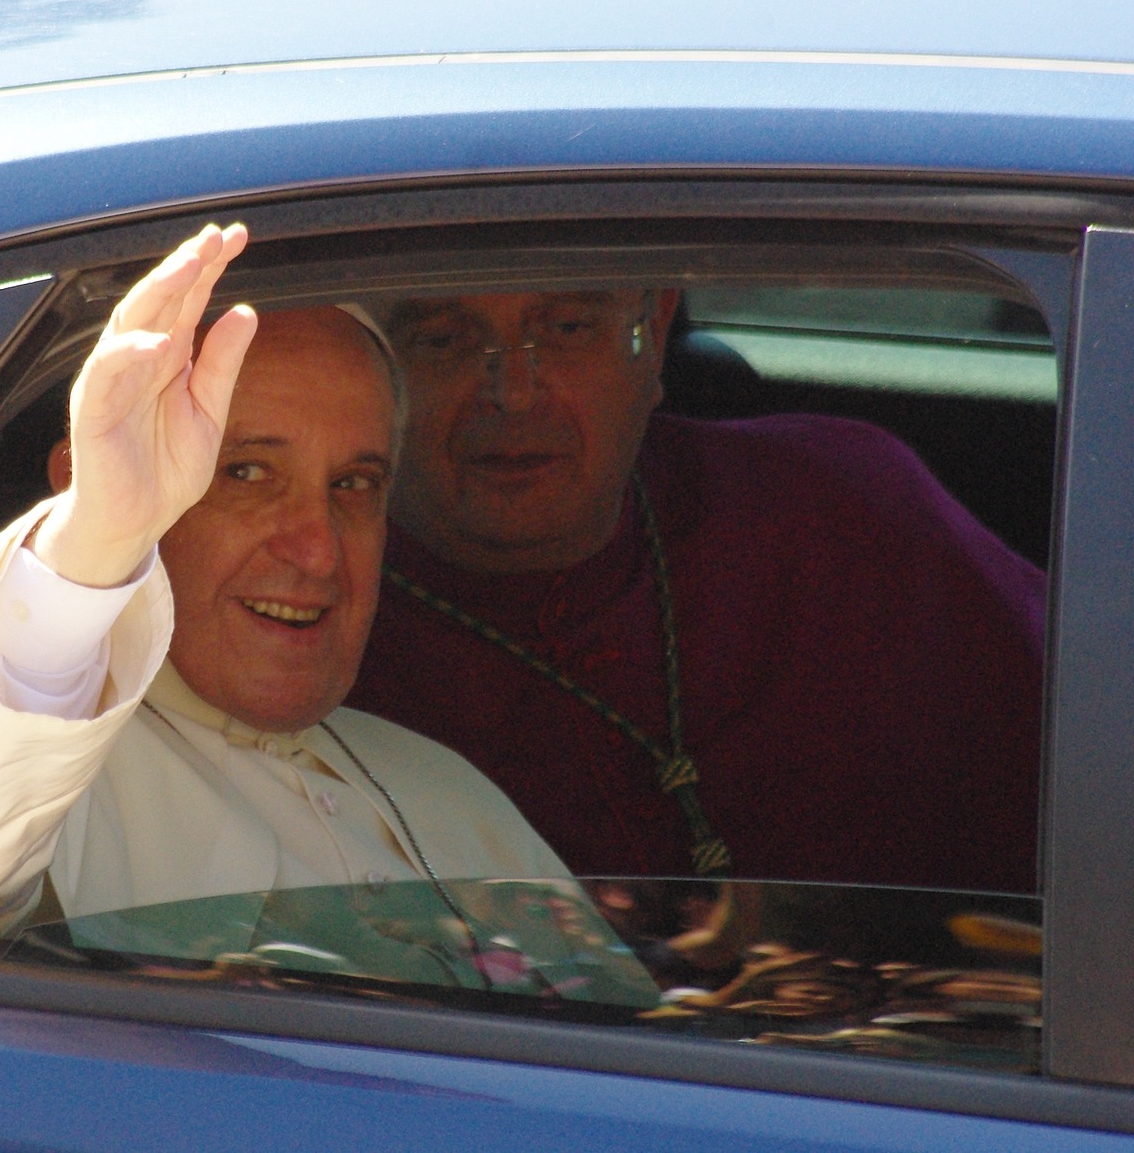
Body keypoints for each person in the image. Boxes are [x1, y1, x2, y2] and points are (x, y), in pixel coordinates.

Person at [0, 225, 568, 941]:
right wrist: (95, 539)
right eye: (244, 473)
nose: (318, 550)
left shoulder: (448, 791)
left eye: (354, 483)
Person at [345, 288, 1045, 893]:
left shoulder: (852, 509)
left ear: (652, 333)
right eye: (441, 339)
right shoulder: (299, 619)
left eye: (567, 329)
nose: (514, 392)